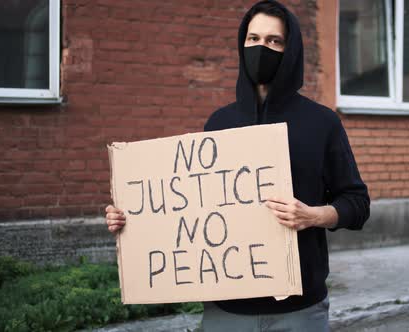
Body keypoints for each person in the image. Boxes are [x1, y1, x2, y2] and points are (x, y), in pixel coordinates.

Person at [105, 1, 370, 330]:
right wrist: (131, 218)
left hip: (300, 311)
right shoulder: (219, 123)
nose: (262, 48)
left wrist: (313, 215)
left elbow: (357, 204)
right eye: (253, 39)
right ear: (242, 45)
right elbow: (188, 209)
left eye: (274, 41)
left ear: (291, 50)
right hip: (226, 313)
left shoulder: (321, 122)